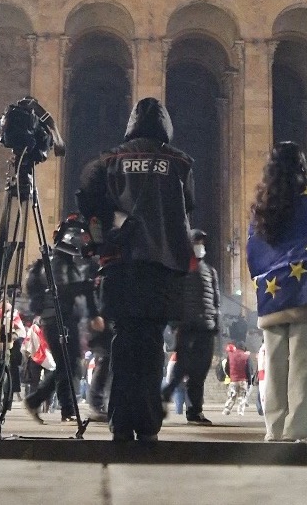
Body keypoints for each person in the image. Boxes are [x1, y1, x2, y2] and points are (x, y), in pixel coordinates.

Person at [77, 97, 194, 442]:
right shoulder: (181, 163)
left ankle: (121, 422)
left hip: (120, 263)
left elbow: (89, 208)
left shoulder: (106, 161)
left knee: (123, 340)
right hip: (162, 265)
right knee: (152, 342)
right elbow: (187, 208)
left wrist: (102, 241)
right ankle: (147, 425)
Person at [246, 141, 307, 442]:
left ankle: (275, 429)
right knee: (306, 364)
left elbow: (253, 251)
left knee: (275, 365)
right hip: (306, 292)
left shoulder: (263, 203)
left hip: (273, 294)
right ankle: (303, 430)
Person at [23, 215, 100, 423]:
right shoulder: (58, 262)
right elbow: (62, 291)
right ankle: (36, 399)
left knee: (66, 364)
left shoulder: (61, 261)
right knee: (68, 363)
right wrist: (87, 286)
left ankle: (67, 409)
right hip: (59, 319)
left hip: (59, 318)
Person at [161, 228, 220, 425]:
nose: (200, 246)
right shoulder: (180, 268)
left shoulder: (210, 271)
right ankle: (167, 393)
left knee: (200, 370)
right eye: (197, 242)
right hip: (186, 325)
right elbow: (173, 296)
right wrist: (175, 322)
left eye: (202, 242)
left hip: (206, 327)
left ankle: (195, 411)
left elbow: (216, 300)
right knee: (183, 365)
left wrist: (215, 322)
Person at [222, 342, 252, 416]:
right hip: (243, 380)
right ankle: (240, 412)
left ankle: (227, 410)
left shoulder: (230, 355)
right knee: (242, 397)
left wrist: (230, 376)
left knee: (231, 396)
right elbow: (249, 370)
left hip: (233, 380)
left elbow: (226, 368)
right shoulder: (246, 356)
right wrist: (249, 381)